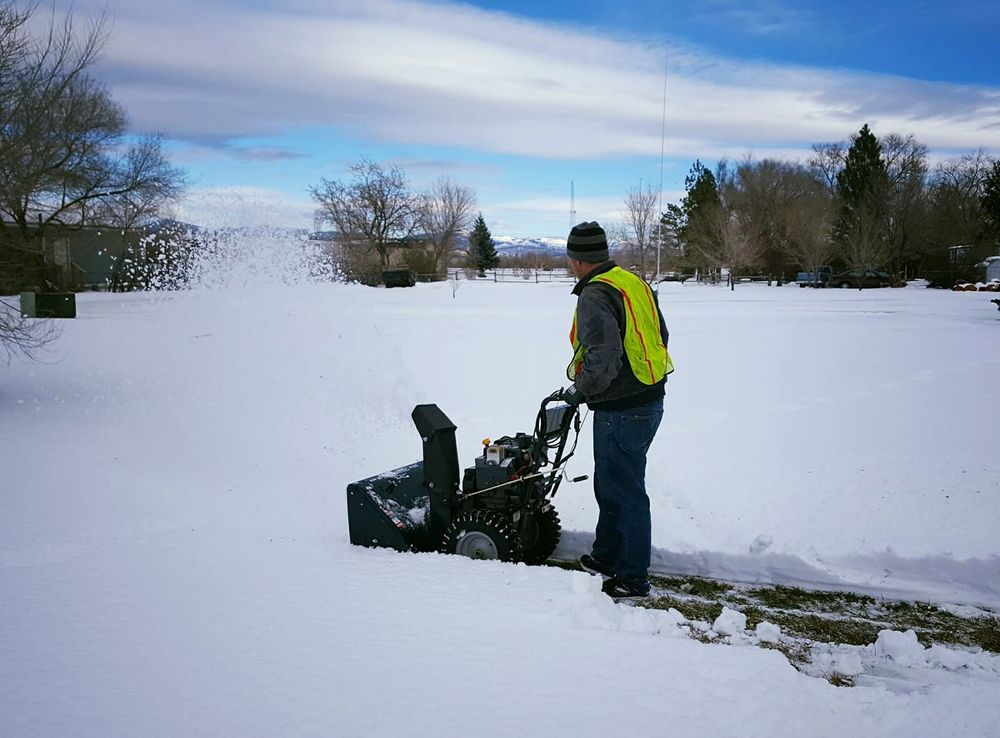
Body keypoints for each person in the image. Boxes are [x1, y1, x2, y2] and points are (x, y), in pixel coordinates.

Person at [560, 221, 673, 598]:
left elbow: (604, 356)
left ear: (577, 260)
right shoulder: (631, 281)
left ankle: (632, 576)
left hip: (623, 408)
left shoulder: (594, 294)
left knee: (625, 491)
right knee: (611, 484)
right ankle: (606, 556)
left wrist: (580, 391)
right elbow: (661, 334)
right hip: (648, 399)